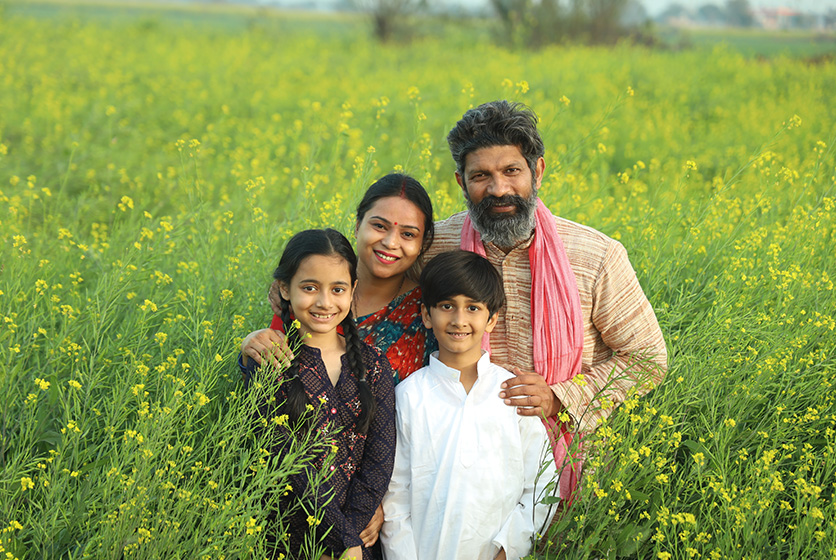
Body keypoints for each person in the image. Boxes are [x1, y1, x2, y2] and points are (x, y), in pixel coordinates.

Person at [425, 100, 668, 500]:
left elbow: (647, 358)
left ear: (537, 171)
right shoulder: (436, 247)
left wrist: (560, 397)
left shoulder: (595, 255)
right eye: (481, 175)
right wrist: (282, 310)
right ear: (460, 182)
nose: (498, 189)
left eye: (511, 171)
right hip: (458, 464)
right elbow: (360, 287)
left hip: (572, 465)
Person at [380, 250, 558, 560]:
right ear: (426, 315)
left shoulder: (512, 394)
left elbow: (541, 484)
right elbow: (395, 496)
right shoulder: (408, 396)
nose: (459, 320)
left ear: (491, 319)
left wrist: (508, 549)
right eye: (447, 306)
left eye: (472, 308)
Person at [256, 228, 395, 560]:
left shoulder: (374, 365)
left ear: (353, 291)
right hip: (289, 539)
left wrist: (354, 537)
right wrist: (343, 539)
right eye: (309, 288)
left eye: (337, 289)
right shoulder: (270, 363)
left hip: (360, 544)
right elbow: (286, 460)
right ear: (284, 289)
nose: (324, 302)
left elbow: (379, 460)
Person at [241, 173, 437, 383]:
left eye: (408, 234)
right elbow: (268, 382)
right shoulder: (308, 294)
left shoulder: (428, 312)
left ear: (423, 244)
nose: (390, 242)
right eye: (379, 226)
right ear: (357, 226)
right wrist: (251, 347)